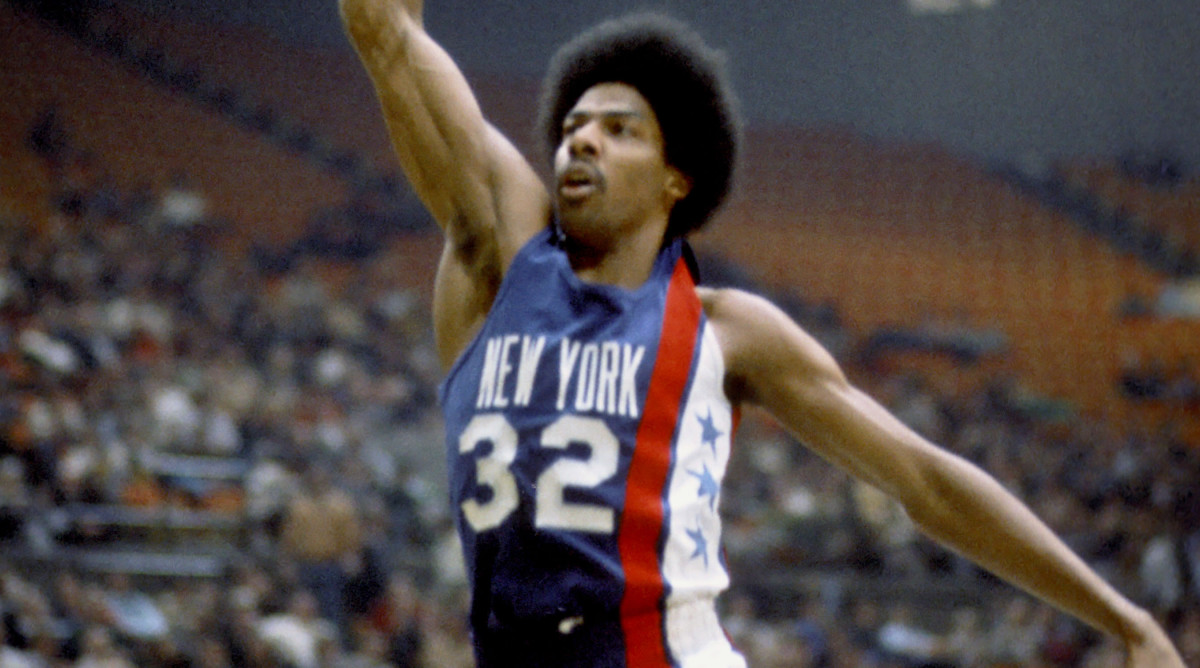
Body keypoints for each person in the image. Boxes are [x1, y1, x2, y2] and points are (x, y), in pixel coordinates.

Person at [339, 2, 1186, 666]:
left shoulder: (727, 328)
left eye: (618, 128)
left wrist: (1123, 618)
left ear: (677, 178)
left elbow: (924, 482)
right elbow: (383, 26)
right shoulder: (495, 262)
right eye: (570, 128)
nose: (579, 138)